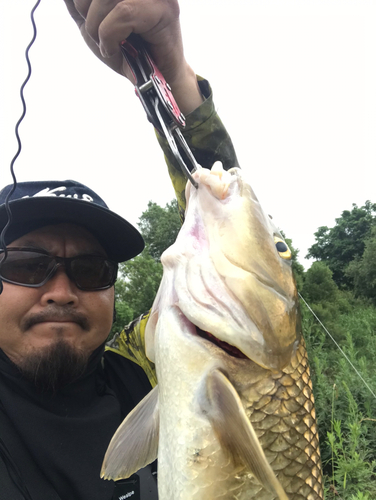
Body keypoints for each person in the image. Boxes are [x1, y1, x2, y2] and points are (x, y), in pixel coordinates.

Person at [0, 1, 238, 499]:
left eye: (90, 269)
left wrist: (169, 69)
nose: (61, 292)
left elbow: (229, 243)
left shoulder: (149, 371)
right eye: (27, 266)